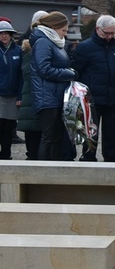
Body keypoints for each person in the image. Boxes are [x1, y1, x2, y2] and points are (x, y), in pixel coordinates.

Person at [71, 14, 115, 162]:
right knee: (91, 132)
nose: (109, 36)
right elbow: (76, 71)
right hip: (92, 98)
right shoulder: (85, 47)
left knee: (112, 132)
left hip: (113, 96)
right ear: (97, 29)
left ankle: (112, 158)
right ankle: (88, 157)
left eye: (112, 33)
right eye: (106, 33)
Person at [30, 12, 76, 161]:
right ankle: (43, 171)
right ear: (54, 27)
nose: (65, 34)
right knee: (49, 138)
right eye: (63, 30)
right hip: (47, 96)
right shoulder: (44, 42)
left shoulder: (53, 42)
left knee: (55, 138)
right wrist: (68, 73)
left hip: (54, 95)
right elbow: (44, 69)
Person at [0, 20, 22, 160]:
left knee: (8, 127)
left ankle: (6, 154)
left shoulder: (18, 51)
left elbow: (21, 76)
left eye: (6, 33)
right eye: (1, 33)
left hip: (13, 95)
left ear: (11, 35)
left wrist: (20, 95)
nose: (4, 36)